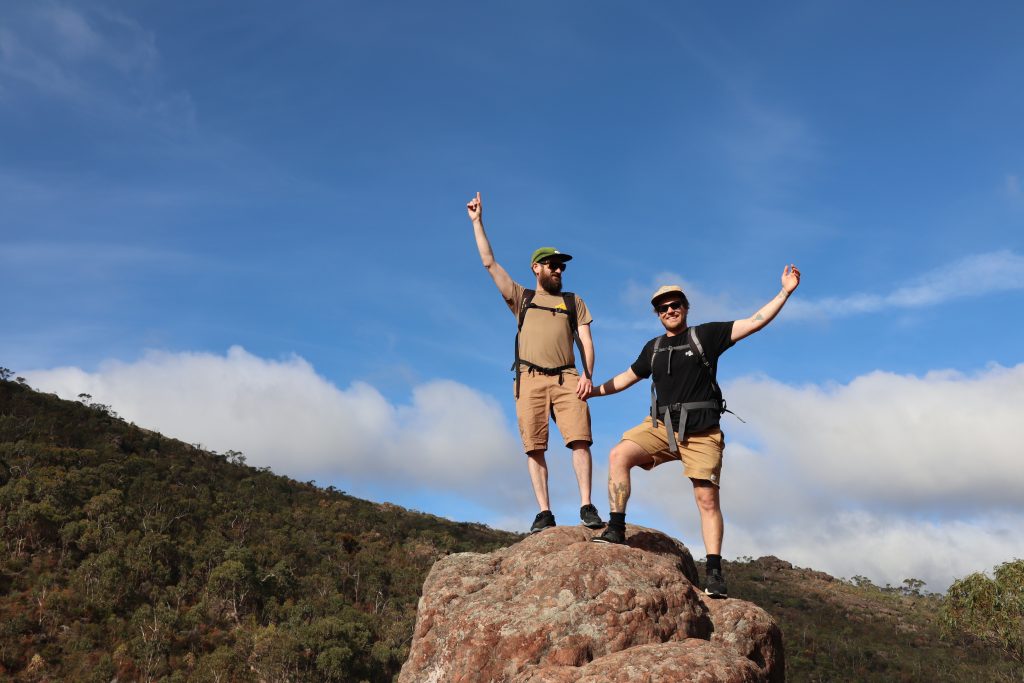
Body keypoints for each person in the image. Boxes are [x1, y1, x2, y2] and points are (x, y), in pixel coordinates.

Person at [587, 266, 801, 598]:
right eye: (663, 308)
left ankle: (714, 571)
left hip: (701, 432)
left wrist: (785, 292)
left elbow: (754, 321)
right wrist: (593, 390)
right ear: (658, 314)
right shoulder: (653, 348)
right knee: (619, 454)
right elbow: (627, 377)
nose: (670, 311)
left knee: (706, 499)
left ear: (685, 308)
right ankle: (616, 527)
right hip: (661, 427)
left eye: (675, 305)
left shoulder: (705, 336)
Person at [466, 192, 604, 533]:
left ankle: (586, 505)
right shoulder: (522, 298)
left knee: (580, 440)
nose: (558, 270)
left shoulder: (574, 302)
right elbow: (489, 264)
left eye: (561, 266)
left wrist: (588, 375)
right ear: (536, 268)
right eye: (552, 265)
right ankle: (545, 512)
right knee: (534, 446)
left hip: (568, 377)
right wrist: (477, 222)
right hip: (529, 378)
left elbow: (586, 340)